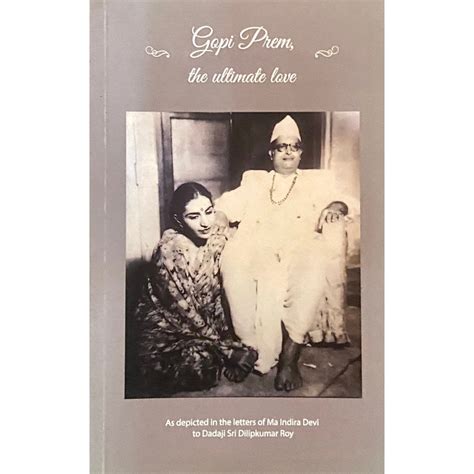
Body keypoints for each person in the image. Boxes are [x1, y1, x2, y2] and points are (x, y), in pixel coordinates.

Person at [215, 115, 359, 391]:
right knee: (232, 260)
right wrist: (221, 214)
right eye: (282, 147)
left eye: (295, 147)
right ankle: (249, 346)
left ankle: (290, 357)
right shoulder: (256, 182)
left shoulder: (315, 184)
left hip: (299, 247)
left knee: (312, 268)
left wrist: (335, 206)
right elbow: (231, 201)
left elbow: (345, 200)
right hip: (256, 245)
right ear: (272, 153)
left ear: (301, 153)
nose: (289, 152)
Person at [134, 182, 257, 396]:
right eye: (193, 216)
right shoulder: (170, 250)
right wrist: (228, 350)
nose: (205, 223)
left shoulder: (214, 236)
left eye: (209, 212)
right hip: (169, 329)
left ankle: (223, 353)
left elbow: (216, 296)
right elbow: (186, 313)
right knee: (201, 365)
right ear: (178, 219)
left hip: (204, 324)